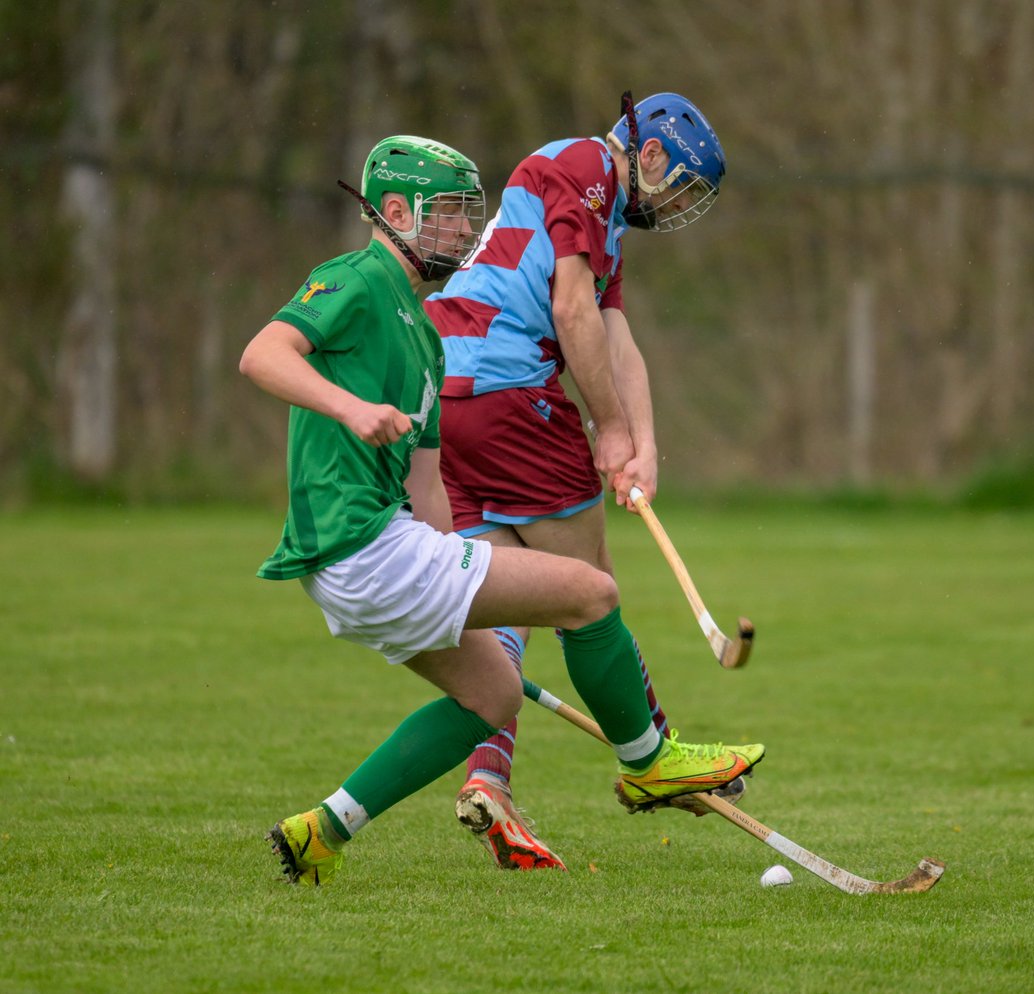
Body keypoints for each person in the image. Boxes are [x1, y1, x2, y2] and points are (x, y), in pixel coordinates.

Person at [240, 134, 764, 886]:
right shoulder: (353, 278)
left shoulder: (427, 334)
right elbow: (263, 355)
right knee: (591, 593)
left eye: (465, 215)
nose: (464, 231)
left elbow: (432, 501)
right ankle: (649, 761)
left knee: (492, 693)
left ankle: (322, 830)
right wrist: (352, 409)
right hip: (360, 550)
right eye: (447, 215)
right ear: (394, 212)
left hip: (372, 556)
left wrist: (473, 576)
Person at [423, 92, 743, 872]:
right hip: (507, 397)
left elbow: (614, 333)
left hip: (446, 397)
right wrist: (609, 430)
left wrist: (643, 442)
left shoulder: (592, 204)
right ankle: (652, 759)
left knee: (509, 594)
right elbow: (572, 314)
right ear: (654, 155)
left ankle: (488, 780)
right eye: (682, 188)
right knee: (585, 591)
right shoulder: (586, 167)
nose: (676, 209)